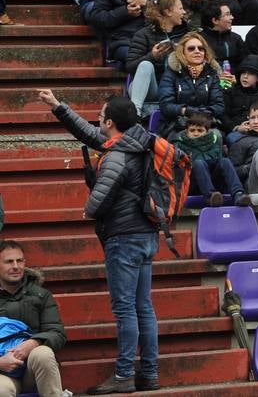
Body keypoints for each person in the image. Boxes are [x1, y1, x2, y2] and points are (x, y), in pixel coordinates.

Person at [38, 89, 159, 393]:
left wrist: (88, 208)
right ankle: (149, 372)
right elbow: (91, 134)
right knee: (143, 306)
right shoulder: (135, 142)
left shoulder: (117, 155)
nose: (97, 118)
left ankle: (123, 375)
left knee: (125, 309)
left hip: (124, 238)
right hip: (145, 234)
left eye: (101, 114)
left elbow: (98, 201)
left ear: (109, 122)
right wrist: (58, 107)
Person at [0, 239, 67, 397]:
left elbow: (57, 333)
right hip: (3, 373)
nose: (16, 266)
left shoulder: (41, 295)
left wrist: (33, 343)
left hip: (33, 369)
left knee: (43, 353)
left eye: (20, 260)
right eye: (9, 262)